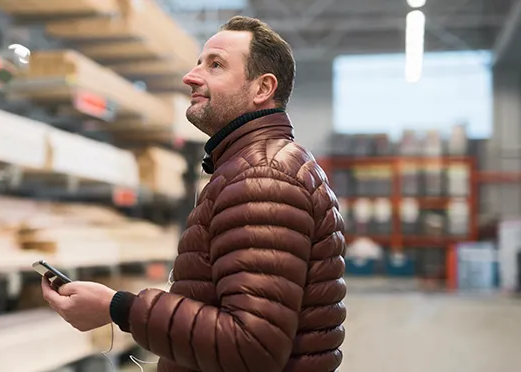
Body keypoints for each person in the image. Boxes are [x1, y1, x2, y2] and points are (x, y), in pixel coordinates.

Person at [41, 16, 346, 372]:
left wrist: (118, 307)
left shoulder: (264, 177)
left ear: (262, 88)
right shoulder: (254, 166)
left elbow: (252, 348)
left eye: (215, 65)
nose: (191, 76)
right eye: (199, 62)